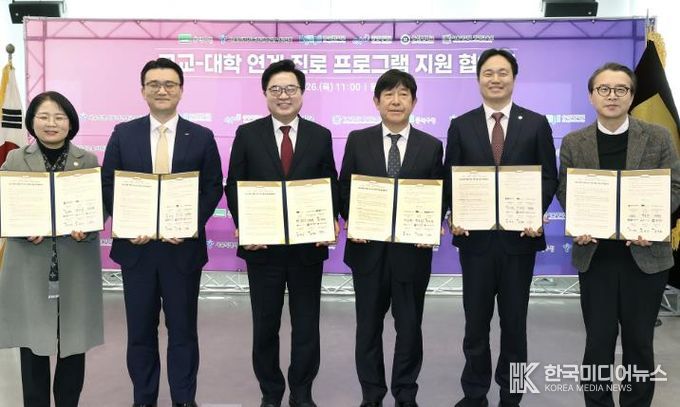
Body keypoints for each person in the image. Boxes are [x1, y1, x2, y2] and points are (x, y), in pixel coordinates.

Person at [557, 62, 680, 407]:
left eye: (620, 89)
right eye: (604, 89)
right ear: (591, 96)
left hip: (646, 257)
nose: (612, 96)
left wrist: (652, 223)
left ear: (631, 95)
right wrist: (579, 221)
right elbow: (567, 190)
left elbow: (674, 187)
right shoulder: (574, 142)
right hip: (596, 258)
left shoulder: (658, 136)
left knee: (640, 343)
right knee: (598, 343)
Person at [101, 58, 223, 407]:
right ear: (143, 91)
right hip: (136, 250)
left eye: (169, 84)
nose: (162, 90)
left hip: (182, 250)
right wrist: (128, 223)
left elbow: (212, 186)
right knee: (140, 332)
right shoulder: (123, 133)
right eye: (153, 84)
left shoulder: (201, 136)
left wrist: (188, 225)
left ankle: (184, 399)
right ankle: (144, 399)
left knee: (183, 332)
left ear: (181, 90)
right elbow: (109, 183)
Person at [444, 48, 558, 407]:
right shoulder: (461, 125)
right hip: (475, 243)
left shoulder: (536, 123)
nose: (496, 79)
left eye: (503, 72)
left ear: (514, 78)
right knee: (475, 326)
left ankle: (512, 396)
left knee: (515, 326)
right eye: (488, 73)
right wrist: (453, 213)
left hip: (519, 243)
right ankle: (474, 393)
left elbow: (549, 176)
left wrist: (533, 211)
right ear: (478, 79)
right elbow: (451, 178)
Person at [224, 59, 339, 407]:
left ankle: (302, 392)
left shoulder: (320, 135)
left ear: (302, 93)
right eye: (276, 89)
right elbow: (234, 185)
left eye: (290, 88)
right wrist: (246, 225)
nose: (283, 95)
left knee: (306, 325)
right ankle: (271, 392)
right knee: (265, 325)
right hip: (263, 248)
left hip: (307, 247)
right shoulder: (247, 134)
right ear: (265, 94)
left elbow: (330, 183)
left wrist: (330, 219)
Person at [338, 69, 444, 407]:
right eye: (388, 94)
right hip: (367, 252)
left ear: (414, 101)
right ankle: (371, 395)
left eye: (403, 94)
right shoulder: (358, 140)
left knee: (410, 330)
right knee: (368, 329)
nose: (396, 101)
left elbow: (438, 195)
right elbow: (344, 189)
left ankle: (405, 394)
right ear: (376, 101)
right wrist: (353, 219)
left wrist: (432, 223)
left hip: (411, 254)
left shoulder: (431, 145)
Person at [0, 91, 103, 407]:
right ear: (31, 121)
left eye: (59, 117)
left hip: (75, 268)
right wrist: (20, 226)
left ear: (71, 122)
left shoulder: (87, 160)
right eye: (43, 116)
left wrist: (88, 225)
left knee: (73, 348)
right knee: (33, 348)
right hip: (30, 269)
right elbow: (5, 205)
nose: (51, 123)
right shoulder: (15, 159)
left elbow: (99, 206)